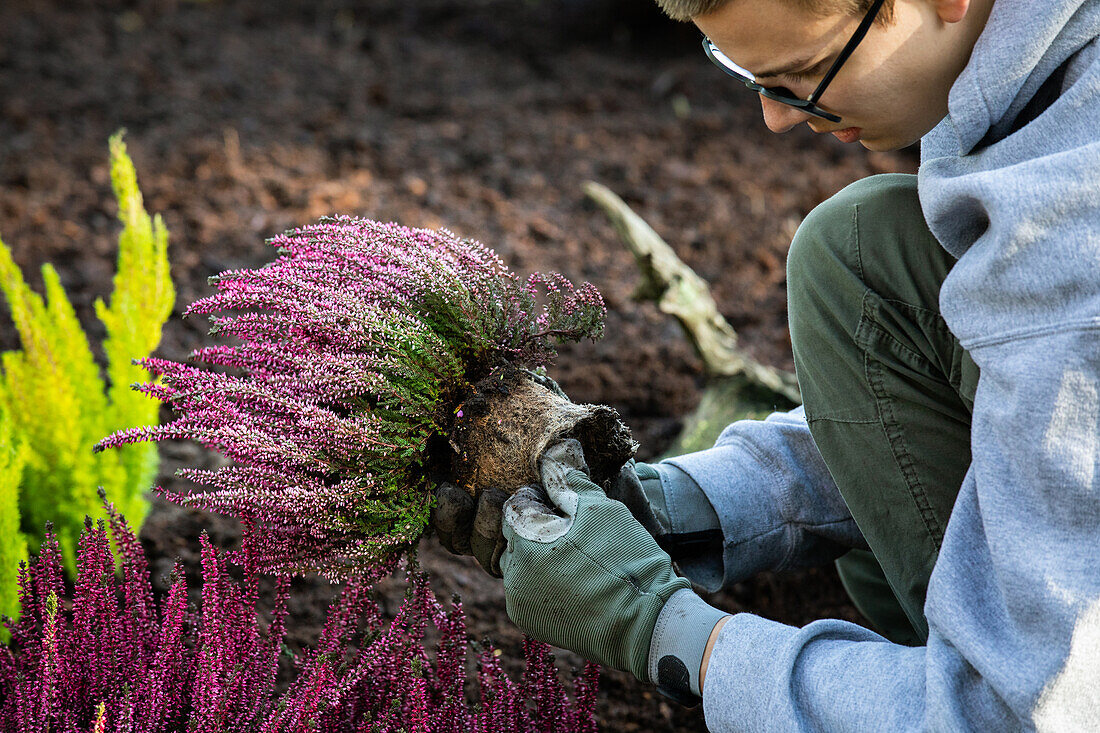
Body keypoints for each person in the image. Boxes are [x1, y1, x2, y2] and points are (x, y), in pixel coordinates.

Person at [432, 0, 1100, 729]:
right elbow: (1020, 417)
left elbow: (1020, 712)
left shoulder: (1068, 248)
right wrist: (677, 508)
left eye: (804, 73)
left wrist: (671, 634)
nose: (776, 120)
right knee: (861, 256)